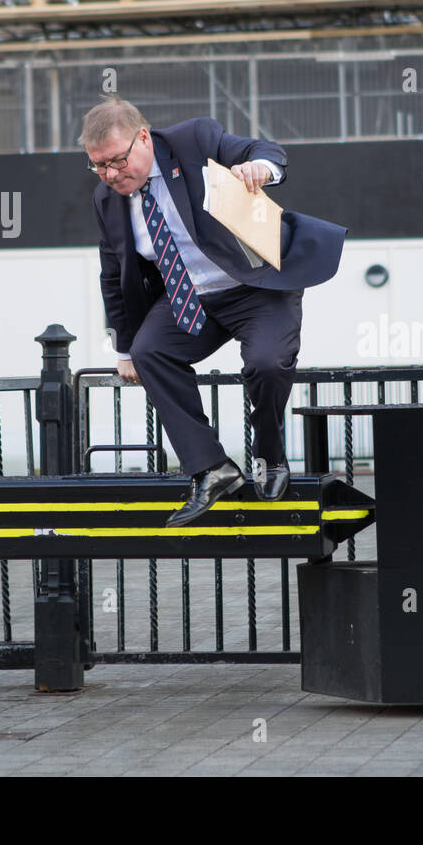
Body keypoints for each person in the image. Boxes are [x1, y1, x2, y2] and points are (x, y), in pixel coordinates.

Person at [83, 96, 346, 525]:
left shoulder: (192, 141)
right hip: (189, 296)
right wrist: (125, 348)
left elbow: (266, 151)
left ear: (144, 138)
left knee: (266, 362)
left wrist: (260, 168)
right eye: (99, 166)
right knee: (150, 352)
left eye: (116, 161)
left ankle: (270, 454)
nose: (111, 174)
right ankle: (211, 467)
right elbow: (112, 274)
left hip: (255, 286)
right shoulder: (106, 199)